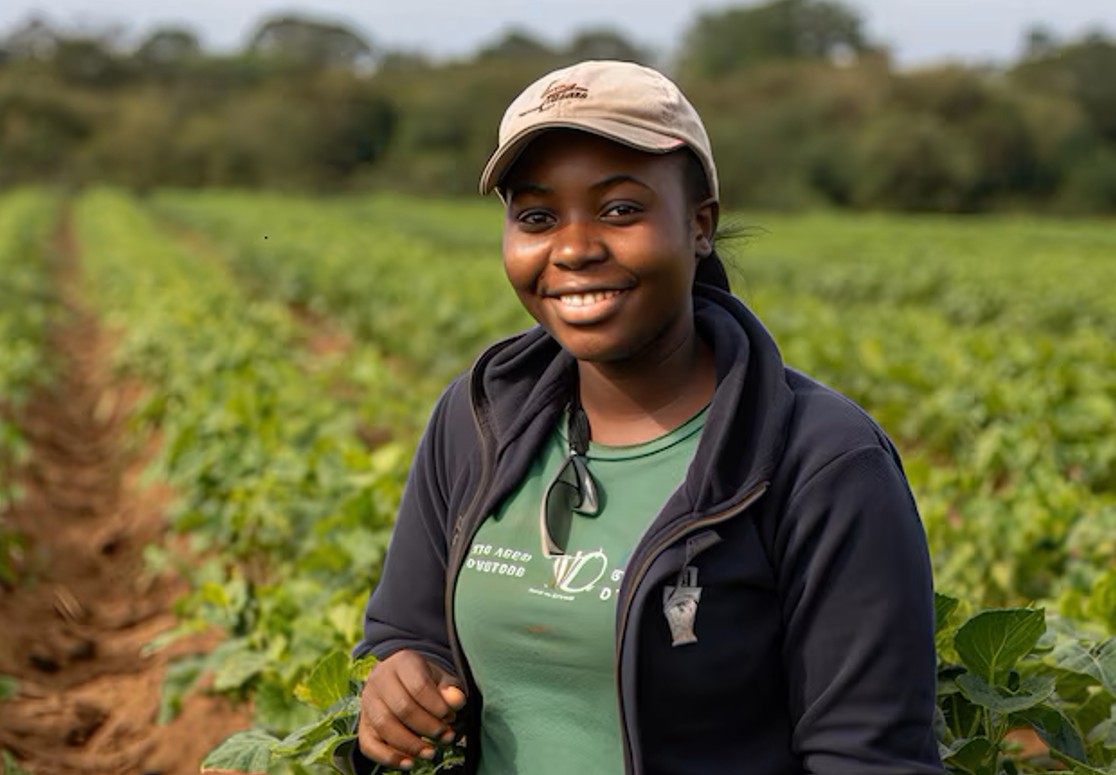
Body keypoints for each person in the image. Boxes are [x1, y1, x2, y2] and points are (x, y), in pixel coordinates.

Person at [346, 60, 943, 774]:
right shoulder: (477, 418)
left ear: (699, 226)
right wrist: (395, 683)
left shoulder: (821, 460)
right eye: (537, 217)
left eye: (620, 209)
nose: (573, 249)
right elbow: (403, 634)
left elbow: (868, 757)